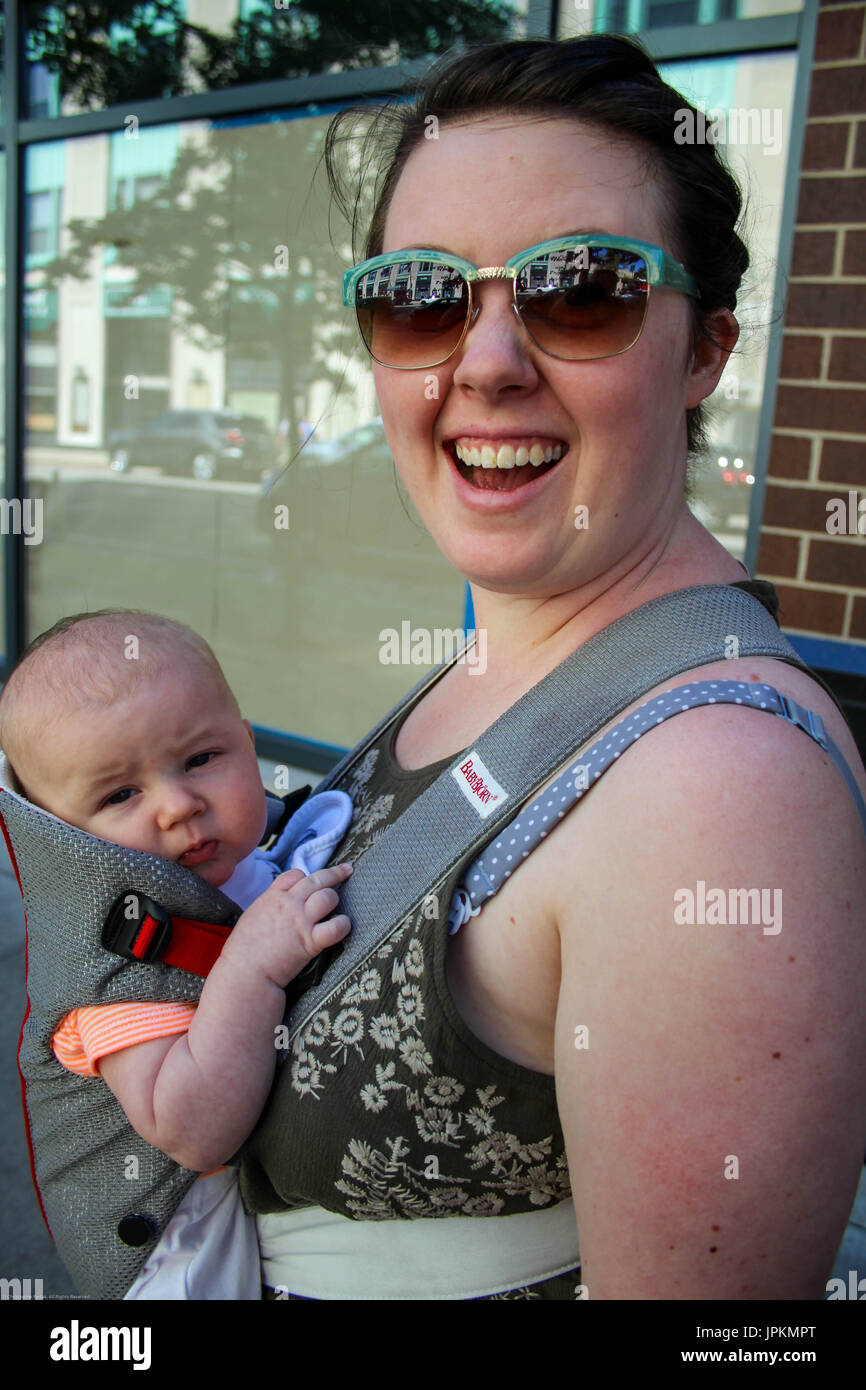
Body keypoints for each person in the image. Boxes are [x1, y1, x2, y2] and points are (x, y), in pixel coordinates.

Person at [230, 33, 866, 1300]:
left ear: (702, 350)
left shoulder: (714, 800)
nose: (484, 362)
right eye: (421, 297)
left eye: (580, 289)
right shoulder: (508, 652)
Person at [0, 608, 354, 1298]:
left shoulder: (243, 860)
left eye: (201, 759)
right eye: (121, 794)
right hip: (165, 1249)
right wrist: (253, 964)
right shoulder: (109, 973)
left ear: (249, 746)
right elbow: (192, 1130)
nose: (177, 805)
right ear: (68, 841)